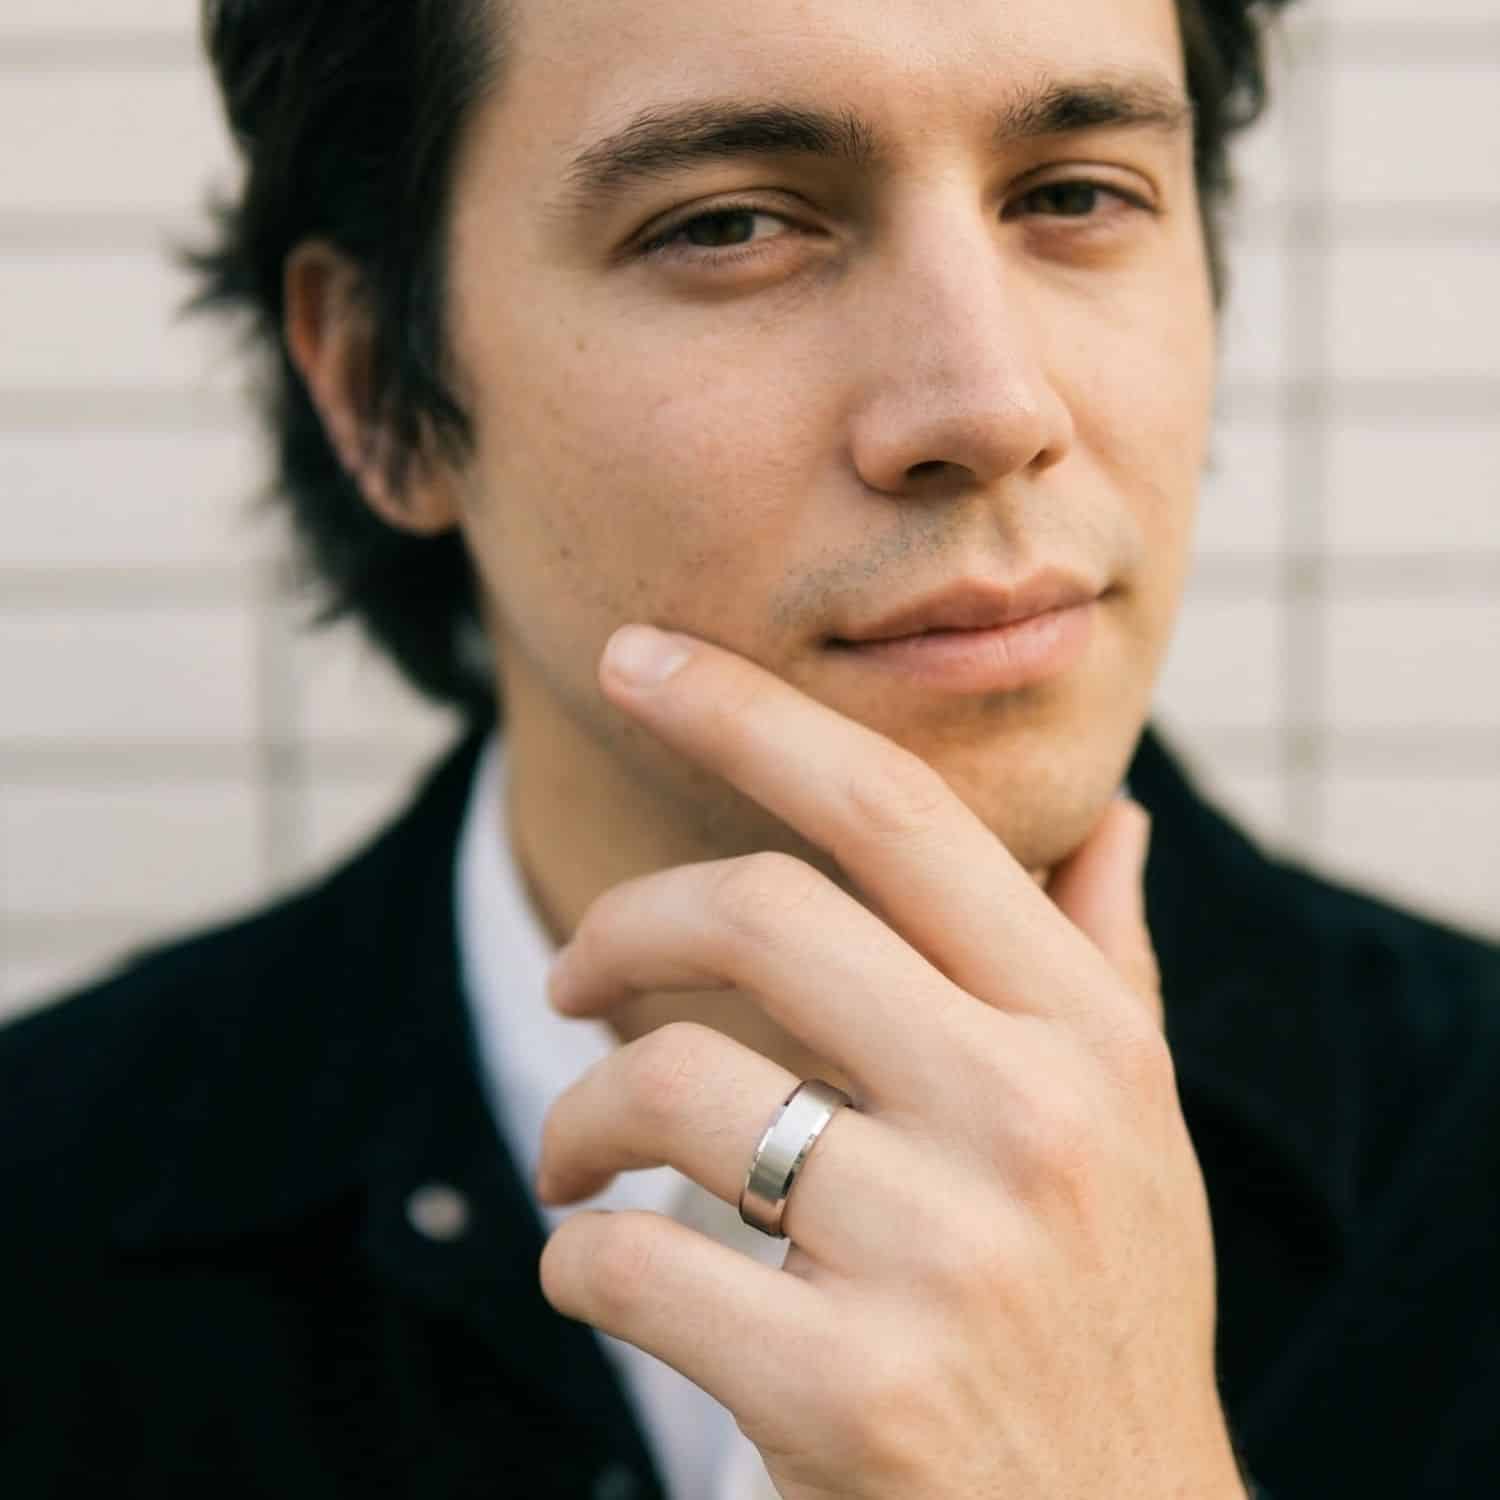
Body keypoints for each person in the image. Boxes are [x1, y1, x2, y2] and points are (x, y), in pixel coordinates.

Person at [2, 0, 1497, 1494]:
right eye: (728, 225)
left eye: (1074, 195)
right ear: (380, 394)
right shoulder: (48, 1216)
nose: (990, 406)